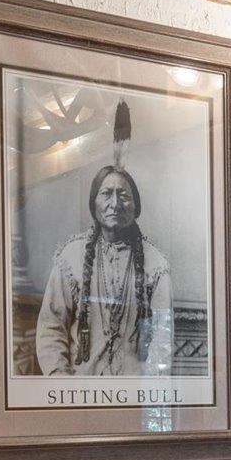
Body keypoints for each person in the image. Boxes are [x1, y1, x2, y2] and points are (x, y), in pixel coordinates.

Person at [34, 156, 175, 377]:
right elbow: (51, 327)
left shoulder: (156, 264)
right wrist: (62, 383)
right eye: (106, 193)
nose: (115, 204)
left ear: (136, 206)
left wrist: (148, 390)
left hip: (134, 392)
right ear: (94, 203)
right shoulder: (71, 257)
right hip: (80, 392)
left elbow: (162, 340)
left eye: (124, 195)